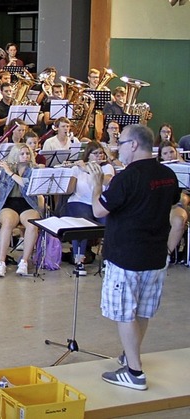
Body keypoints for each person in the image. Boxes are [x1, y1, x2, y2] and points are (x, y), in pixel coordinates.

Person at [89, 124, 179, 391]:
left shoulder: (127, 177)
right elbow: (170, 202)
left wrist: (96, 185)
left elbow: (98, 210)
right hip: (155, 254)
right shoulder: (168, 174)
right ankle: (131, 356)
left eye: (122, 143)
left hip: (126, 255)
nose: (118, 148)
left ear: (134, 145)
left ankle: (134, 372)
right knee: (142, 310)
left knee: (125, 313)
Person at [0, 144, 42, 277]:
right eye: (22, 154)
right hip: (8, 203)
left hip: (28, 203)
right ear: (15, 155)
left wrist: (10, 173)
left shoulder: (33, 170)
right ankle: (1, 262)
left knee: (32, 224)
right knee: (7, 223)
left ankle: (24, 261)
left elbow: (27, 186)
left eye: (27, 153)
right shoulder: (5, 169)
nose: (25, 156)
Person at [65, 141, 114, 275]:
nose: (99, 156)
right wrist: (67, 173)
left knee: (111, 224)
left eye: (101, 153)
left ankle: (107, 260)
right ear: (88, 155)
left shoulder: (107, 167)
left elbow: (108, 181)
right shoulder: (77, 168)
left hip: (99, 202)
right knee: (82, 224)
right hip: (79, 201)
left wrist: (88, 170)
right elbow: (69, 190)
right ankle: (79, 261)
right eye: (95, 153)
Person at [157, 140, 188, 262]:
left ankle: (167, 253)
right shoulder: (158, 169)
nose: (169, 155)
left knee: (179, 217)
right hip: (160, 202)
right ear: (160, 156)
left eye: (172, 152)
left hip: (178, 201)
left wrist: (182, 163)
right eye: (165, 153)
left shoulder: (184, 167)